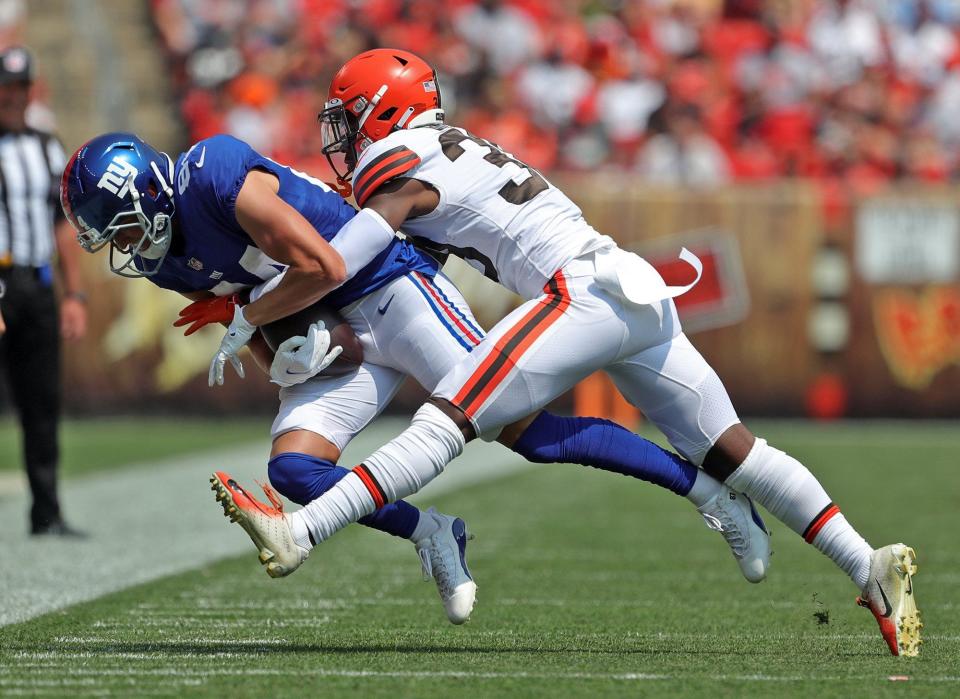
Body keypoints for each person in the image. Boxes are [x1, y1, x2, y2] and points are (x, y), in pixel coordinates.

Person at [218, 49, 921, 657]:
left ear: (381, 110)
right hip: (632, 289)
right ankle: (868, 565)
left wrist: (278, 297)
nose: (341, 134)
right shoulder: (450, 145)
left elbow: (361, 248)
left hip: (578, 292)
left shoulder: (396, 155)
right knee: (737, 450)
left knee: (448, 416)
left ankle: (303, 530)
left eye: (348, 115)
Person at [61, 131, 770, 620]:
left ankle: (709, 490)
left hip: (392, 290)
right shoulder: (160, 259)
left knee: (527, 432)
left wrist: (247, 315)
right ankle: (433, 531)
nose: (123, 246)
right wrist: (279, 354)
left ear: (144, 191)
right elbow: (258, 322)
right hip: (339, 327)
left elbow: (323, 266)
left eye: (119, 225)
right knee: (295, 470)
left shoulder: (216, 176)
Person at [0, 46, 87, 537]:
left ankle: (47, 512)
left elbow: (62, 226)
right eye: (5, 88)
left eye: (19, 87)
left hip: (36, 283)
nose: (12, 97)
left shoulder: (45, 146)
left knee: (42, 401)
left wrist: (75, 295)